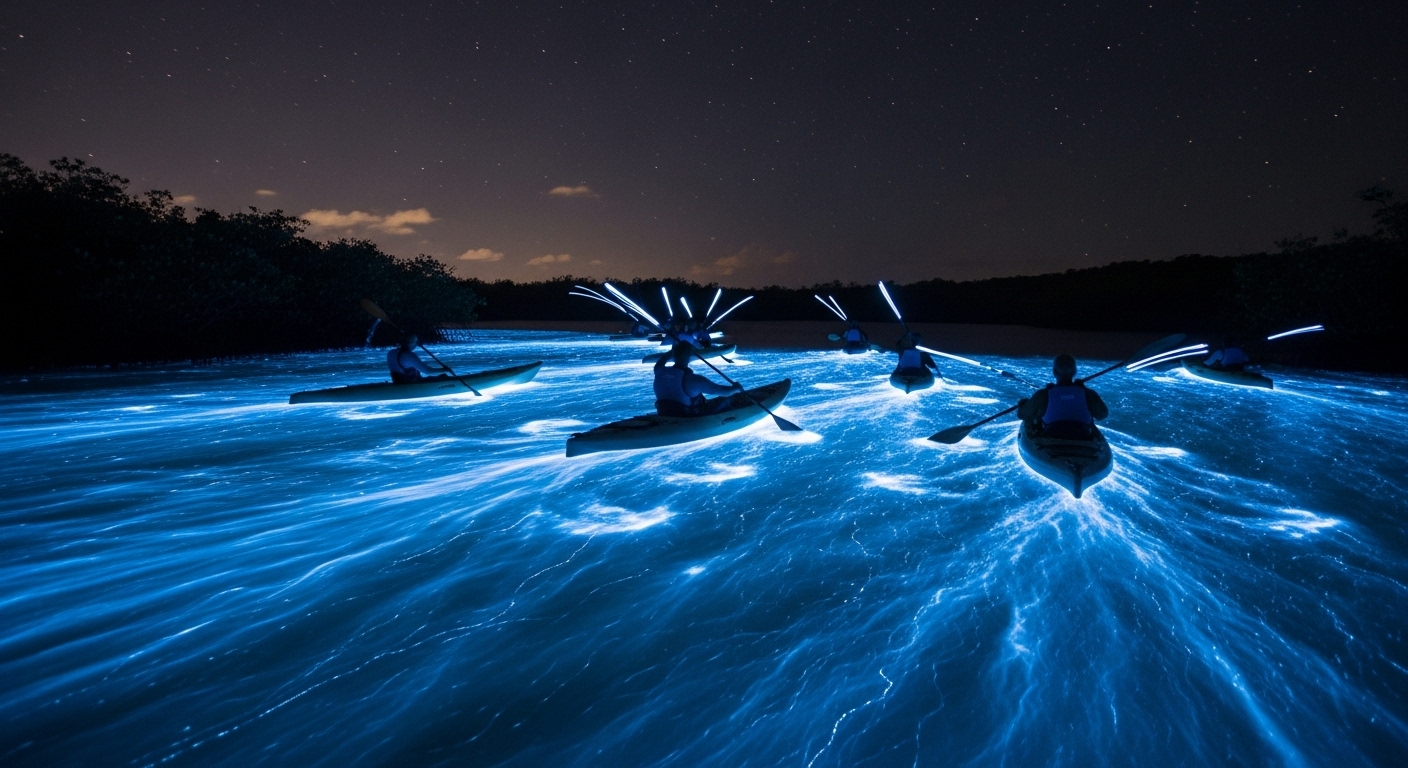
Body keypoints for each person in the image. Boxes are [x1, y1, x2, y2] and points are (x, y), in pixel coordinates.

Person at [1018, 354, 1109, 440]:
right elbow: (1102, 415)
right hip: (1083, 436)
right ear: (1074, 372)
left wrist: (1023, 403)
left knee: (1033, 418)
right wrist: (1082, 390)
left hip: (1051, 438)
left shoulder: (1042, 395)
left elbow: (1022, 414)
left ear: (1054, 372)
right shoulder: (1089, 394)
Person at [653, 343, 745, 416]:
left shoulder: (659, 371)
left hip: (664, 412)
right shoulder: (694, 380)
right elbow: (724, 392)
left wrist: (673, 351)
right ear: (690, 356)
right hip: (689, 417)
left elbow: (661, 361)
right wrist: (736, 388)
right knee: (729, 398)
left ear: (673, 355)